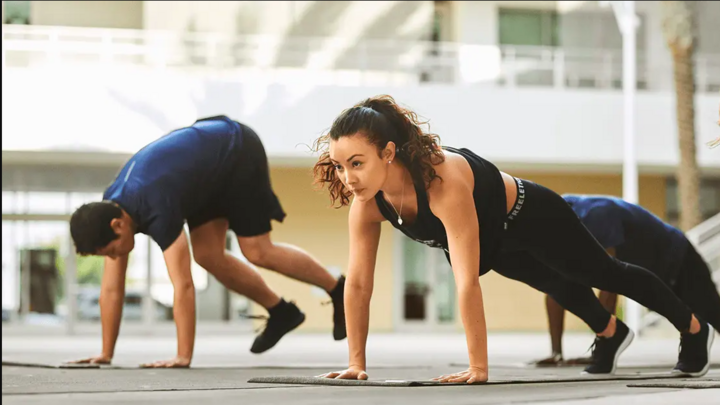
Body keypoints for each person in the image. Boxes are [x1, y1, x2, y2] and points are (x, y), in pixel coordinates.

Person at [312, 95, 715, 384]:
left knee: (603, 273)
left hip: (529, 213)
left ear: (387, 153)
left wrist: (478, 367)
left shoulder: (441, 180)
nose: (348, 178)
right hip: (493, 238)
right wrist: (355, 363)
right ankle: (610, 333)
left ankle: (694, 328)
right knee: (553, 283)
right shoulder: (366, 204)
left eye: (357, 163)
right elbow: (359, 285)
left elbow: (467, 281)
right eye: (340, 166)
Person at [68, 115, 347, 368]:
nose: (115, 258)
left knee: (257, 250)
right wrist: (106, 354)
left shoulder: (155, 204)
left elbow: (183, 284)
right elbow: (111, 289)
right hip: (202, 178)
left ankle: (337, 289)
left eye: (111, 252)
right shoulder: (112, 209)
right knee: (208, 255)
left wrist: (182, 356)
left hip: (236, 151)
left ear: (118, 225)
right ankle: (281, 312)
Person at [534, 194, 720, 366]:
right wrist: (556, 353)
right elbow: (555, 286)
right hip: (652, 270)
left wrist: (604, 346)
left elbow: (608, 279)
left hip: (680, 259)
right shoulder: (558, 224)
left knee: (712, 312)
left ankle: (607, 345)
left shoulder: (596, 214)